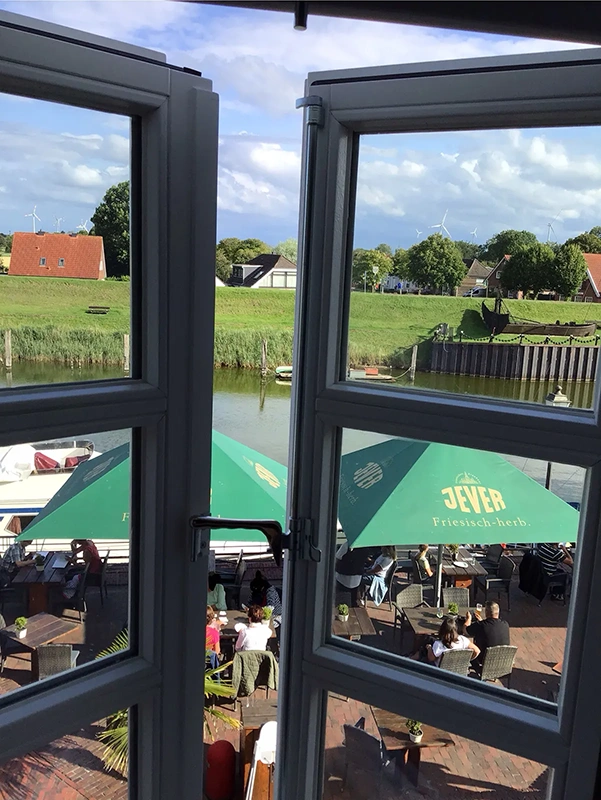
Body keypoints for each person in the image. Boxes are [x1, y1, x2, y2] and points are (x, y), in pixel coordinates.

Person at [464, 601, 509, 665]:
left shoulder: (481, 625)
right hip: (502, 662)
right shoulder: (505, 624)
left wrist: (468, 619)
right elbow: (492, 629)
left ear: (486, 612)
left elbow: (465, 631)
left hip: (484, 662)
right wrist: (482, 621)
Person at [335, 542, 373, 608]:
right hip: (357, 578)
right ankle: (354, 604)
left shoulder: (347, 545)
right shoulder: (365, 546)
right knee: (353, 596)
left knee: (340, 597)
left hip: (343, 577)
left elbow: (337, 558)